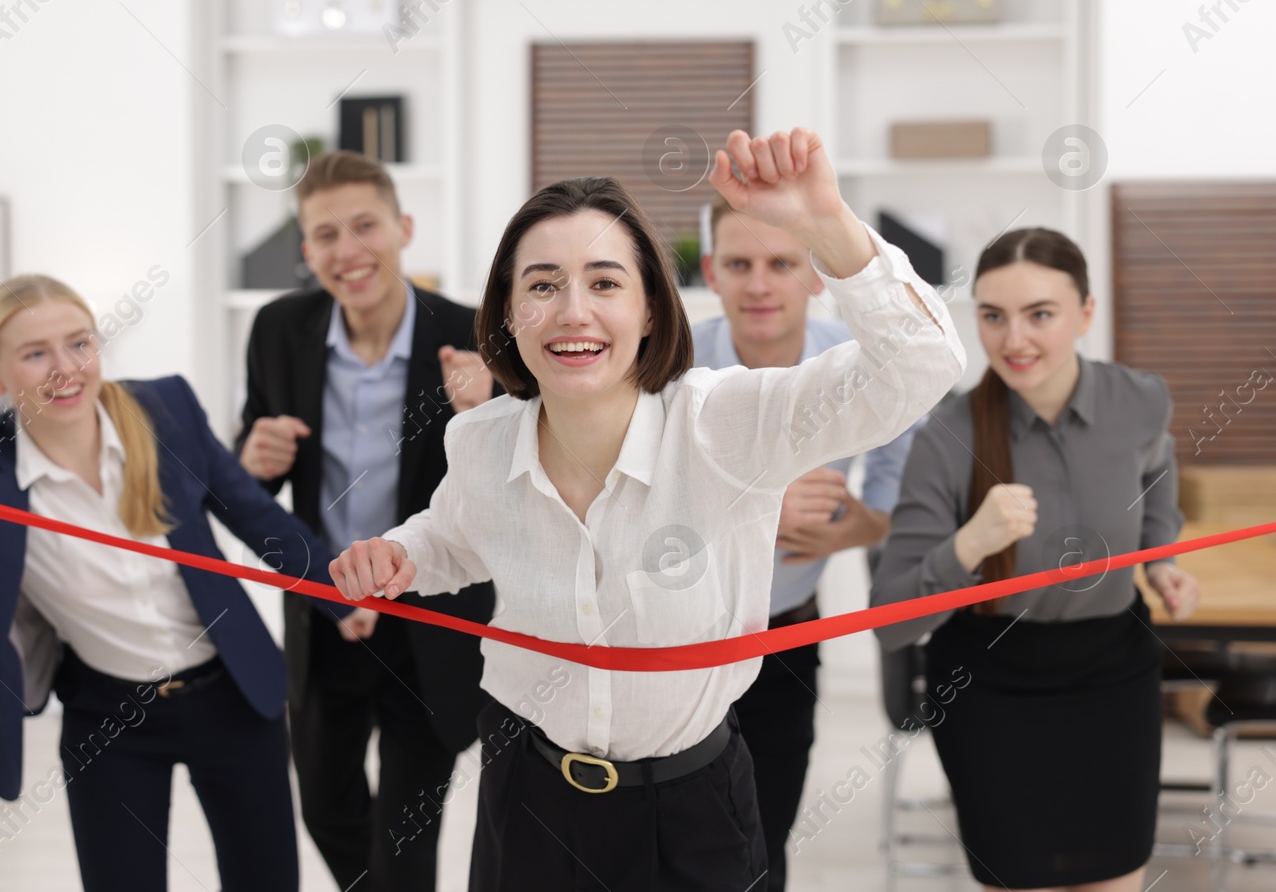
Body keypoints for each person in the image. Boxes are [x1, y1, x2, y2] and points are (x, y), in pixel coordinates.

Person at [330, 128, 965, 891]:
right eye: (541, 285)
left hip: (690, 806)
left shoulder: (727, 422)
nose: (573, 312)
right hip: (525, 789)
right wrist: (402, 554)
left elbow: (924, 363)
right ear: (507, 311)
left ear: (653, 310)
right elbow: (455, 535)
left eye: (604, 283)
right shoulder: (478, 440)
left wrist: (825, 223)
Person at [0, 277, 334, 892]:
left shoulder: (166, 411)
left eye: (79, 343)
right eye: (35, 353)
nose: (66, 369)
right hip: (110, 718)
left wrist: (338, 595)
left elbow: (253, 515)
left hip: (233, 695)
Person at [870, 227, 1201, 892]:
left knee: (1113, 878)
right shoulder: (945, 437)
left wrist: (1159, 554)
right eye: (993, 316)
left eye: (1039, 314)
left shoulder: (1140, 400)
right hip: (990, 686)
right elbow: (890, 620)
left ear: (1085, 313)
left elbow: (1157, 471)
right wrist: (971, 542)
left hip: (1115, 676)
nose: (1013, 339)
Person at [235, 150, 497, 892]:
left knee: (406, 834)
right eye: (324, 234)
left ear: (403, 228)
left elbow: (517, 481)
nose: (347, 251)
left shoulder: (472, 332)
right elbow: (254, 464)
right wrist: (254, 457)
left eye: (363, 226)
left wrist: (489, 414)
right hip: (324, 615)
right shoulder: (279, 329)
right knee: (325, 808)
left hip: (430, 624)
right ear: (306, 248)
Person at [691, 196, 919, 890]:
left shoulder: (860, 366)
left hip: (786, 635)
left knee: (763, 834)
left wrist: (851, 525)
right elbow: (623, 497)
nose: (759, 284)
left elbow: (888, 494)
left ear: (815, 274)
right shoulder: (665, 362)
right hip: (676, 638)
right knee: (679, 838)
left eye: (780, 263)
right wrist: (759, 503)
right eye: (740, 264)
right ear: (712, 272)